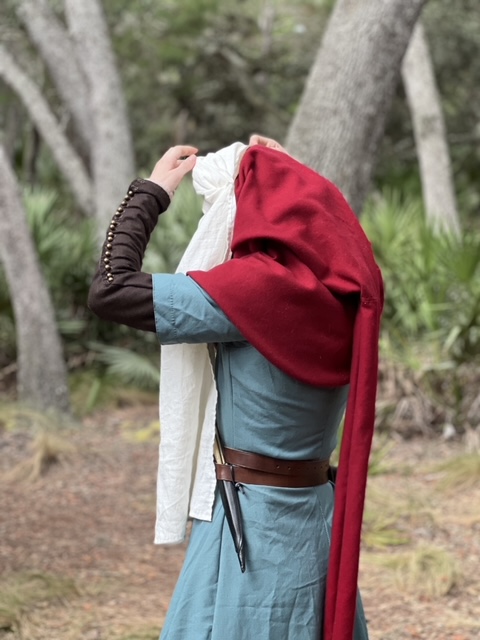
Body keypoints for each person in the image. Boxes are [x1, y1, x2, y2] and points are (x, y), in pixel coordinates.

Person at [88, 135, 383, 640]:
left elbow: (111, 287)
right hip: (316, 522)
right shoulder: (347, 294)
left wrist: (150, 193)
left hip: (251, 529)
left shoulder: (251, 292)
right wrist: (284, 174)